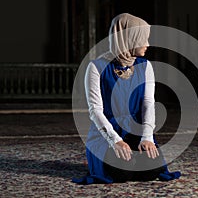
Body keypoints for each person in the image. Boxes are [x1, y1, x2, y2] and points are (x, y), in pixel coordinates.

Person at [72, 13, 181, 184]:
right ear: (128, 38)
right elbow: (95, 111)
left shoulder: (145, 66)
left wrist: (147, 137)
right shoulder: (96, 67)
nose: (147, 44)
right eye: (143, 39)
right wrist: (115, 141)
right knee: (121, 174)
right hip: (108, 134)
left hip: (135, 129)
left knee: (151, 170)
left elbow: (148, 104)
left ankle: (134, 158)